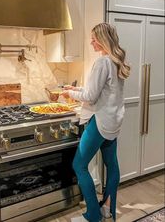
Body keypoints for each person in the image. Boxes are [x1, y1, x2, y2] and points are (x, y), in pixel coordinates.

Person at [61, 23, 130, 222]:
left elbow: (91, 96)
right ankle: (107, 209)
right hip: (114, 121)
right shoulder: (117, 60)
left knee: (79, 165)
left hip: (100, 123)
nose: (91, 42)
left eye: (94, 38)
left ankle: (93, 215)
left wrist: (69, 93)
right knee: (112, 165)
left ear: (102, 39)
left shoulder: (102, 63)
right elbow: (99, 89)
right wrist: (75, 88)